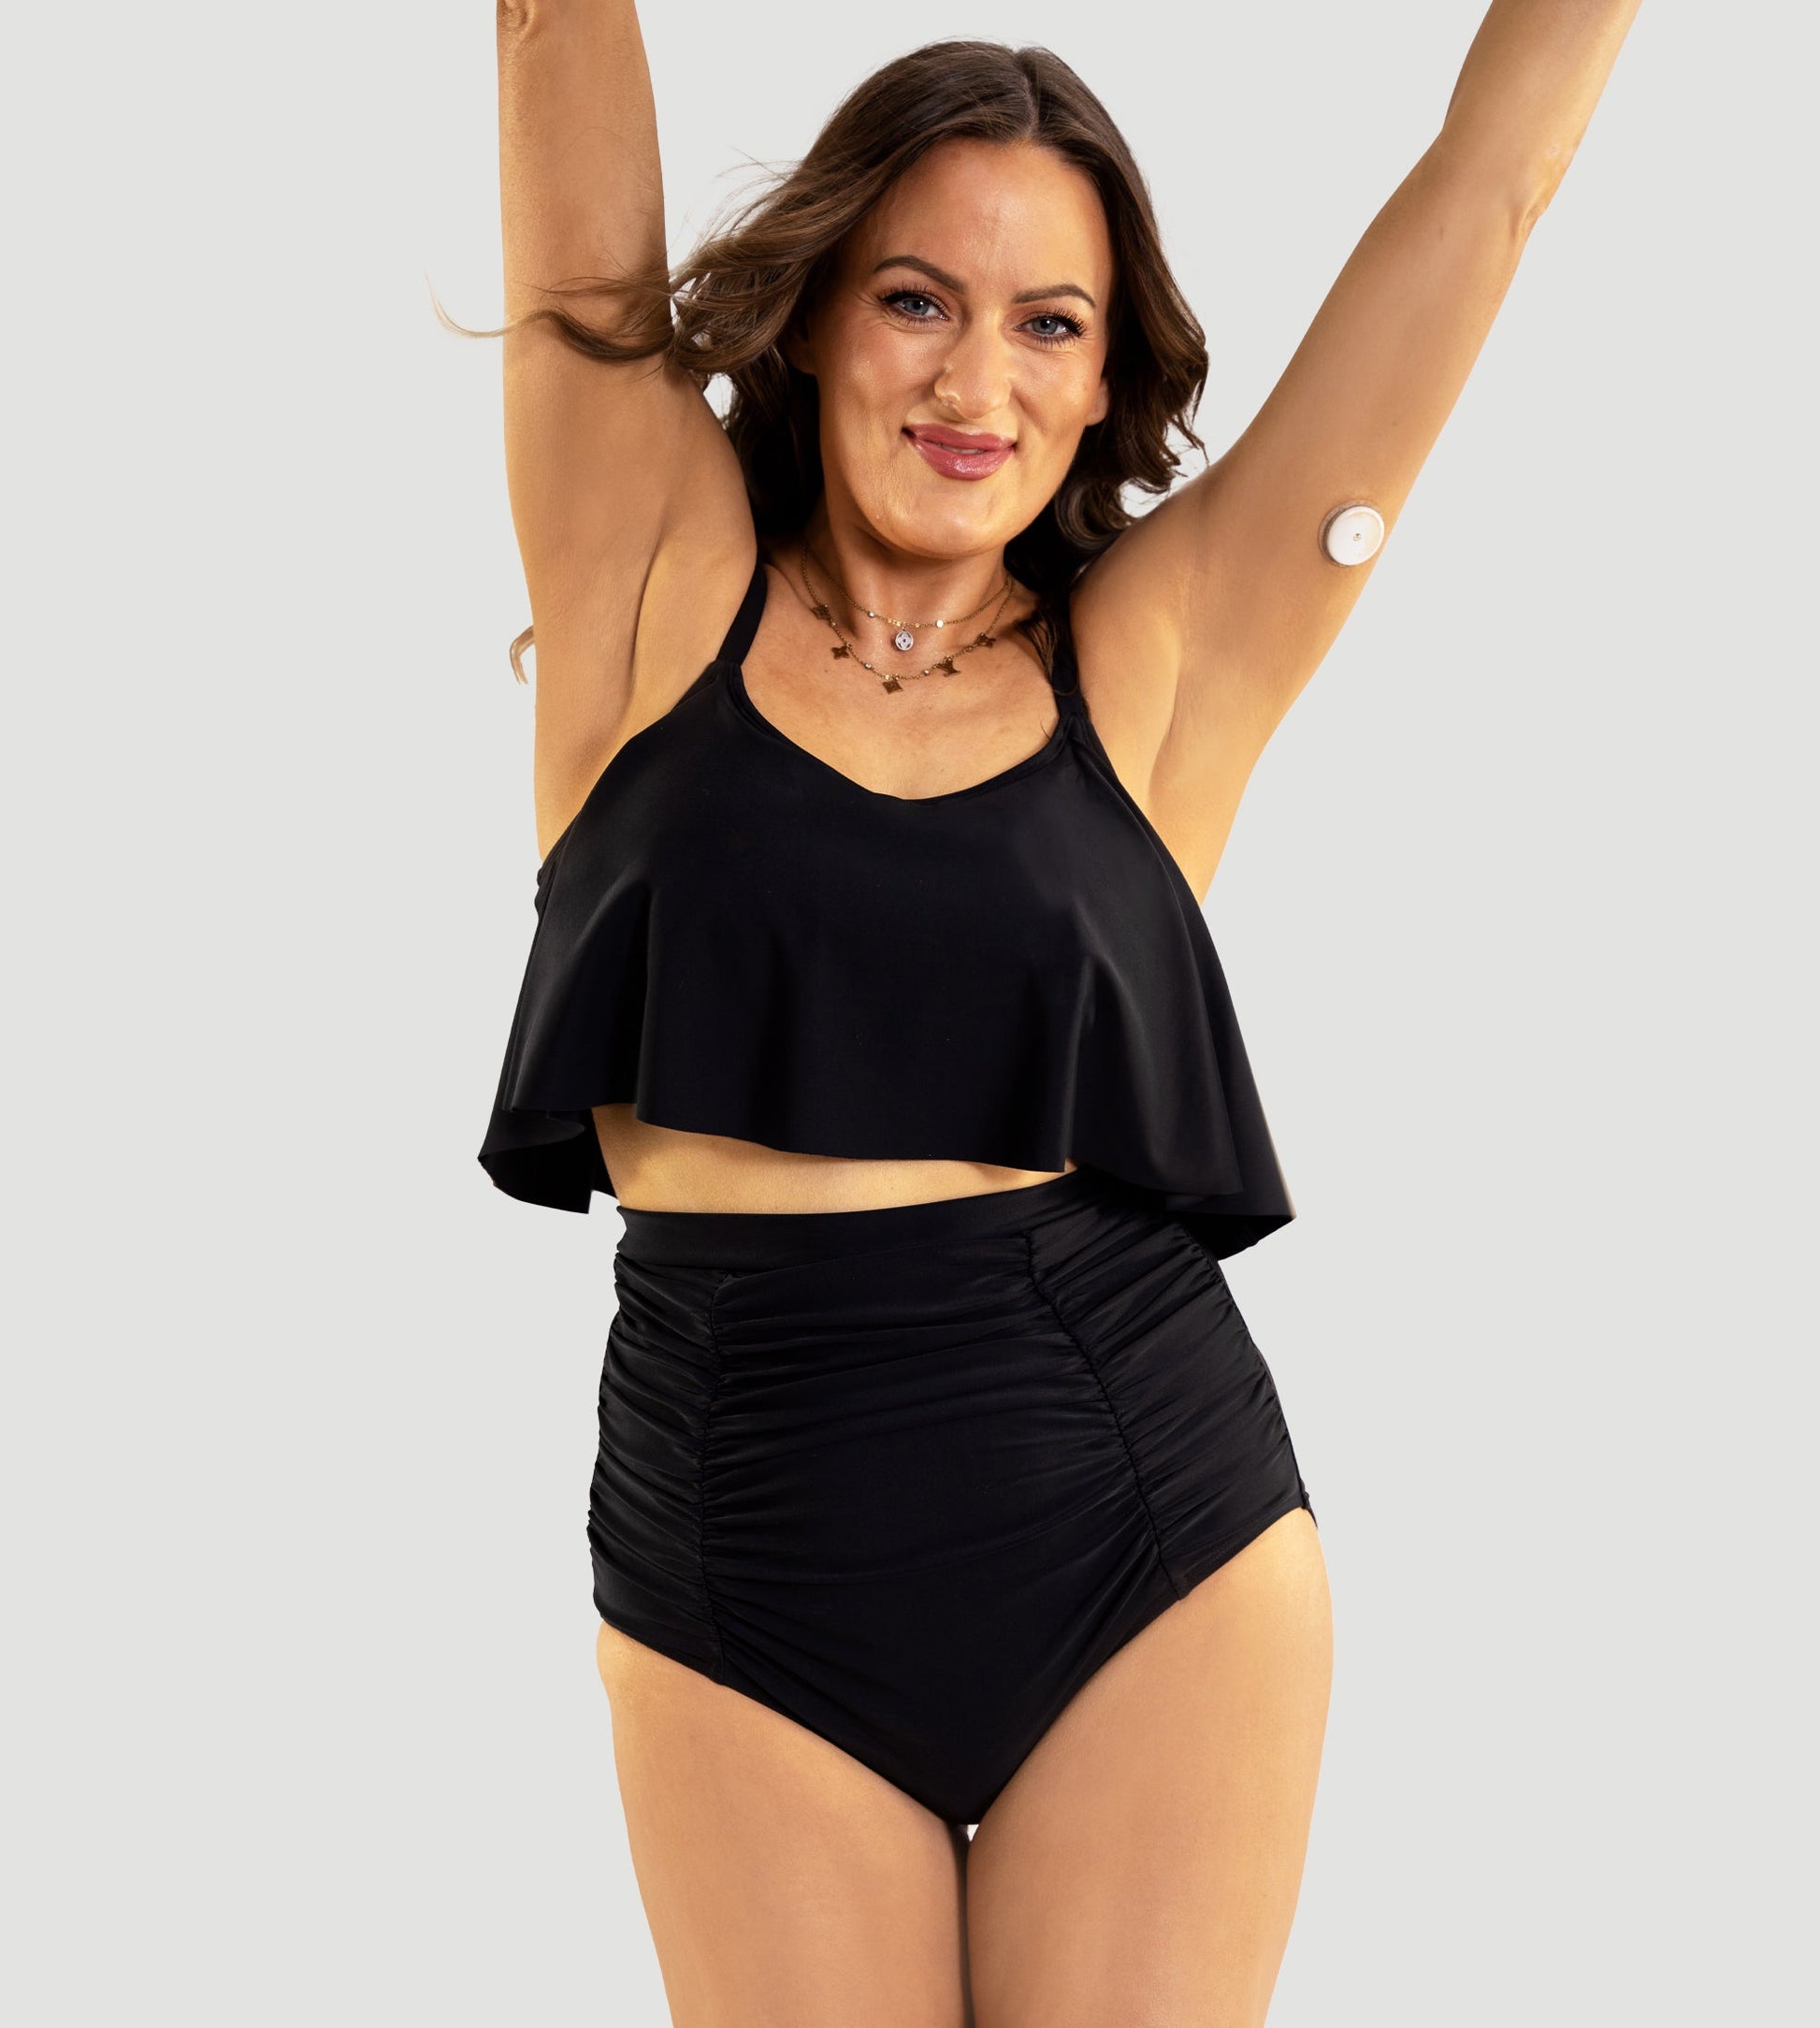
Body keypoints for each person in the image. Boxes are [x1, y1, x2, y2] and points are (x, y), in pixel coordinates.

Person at [474, 4, 1639, 2021]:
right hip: (736, 1531)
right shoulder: (647, 571)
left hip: (1139, 1527)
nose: (974, 381)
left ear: (1105, 380)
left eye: (1047, 325)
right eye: (916, 299)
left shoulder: (1166, 655)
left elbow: (1490, 187)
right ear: (815, 317)